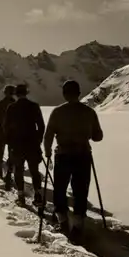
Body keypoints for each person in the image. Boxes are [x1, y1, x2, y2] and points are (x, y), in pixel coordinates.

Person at [43, 80, 104, 238]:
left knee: (60, 188)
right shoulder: (89, 112)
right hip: (82, 155)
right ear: (79, 93)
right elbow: (98, 136)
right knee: (80, 190)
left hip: (63, 155)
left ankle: (62, 219)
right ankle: (77, 224)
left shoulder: (57, 112)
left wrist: (47, 151)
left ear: (64, 93)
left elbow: (48, 134)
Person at [4, 84, 46, 207]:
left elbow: (6, 127)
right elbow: (41, 126)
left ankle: (21, 195)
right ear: (26, 93)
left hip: (17, 145)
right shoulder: (34, 106)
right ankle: (38, 194)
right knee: (34, 170)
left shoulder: (11, 107)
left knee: (19, 170)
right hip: (32, 144)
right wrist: (38, 140)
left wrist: (10, 142)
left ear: (16, 94)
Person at [0, 85, 16, 189]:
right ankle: (8, 175)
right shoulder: (16, 104)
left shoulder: (1, 104)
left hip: (2, 132)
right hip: (12, 133)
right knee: (12, 154)